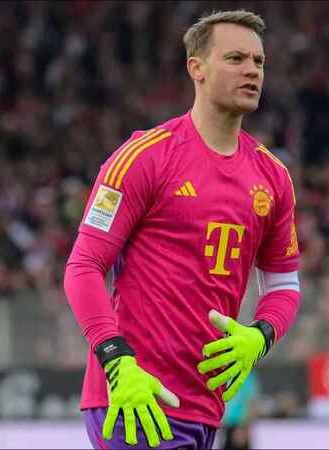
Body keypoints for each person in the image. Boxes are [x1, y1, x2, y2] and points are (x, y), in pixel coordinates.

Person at [64, 9, 301, 449]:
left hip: (205, 408)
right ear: (197, 68)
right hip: (137, 400)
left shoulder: (273, 178)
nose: (252, 70)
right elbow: (83, 266)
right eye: (235, 58)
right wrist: (116, 361)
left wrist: (260, 335)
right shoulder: (145, 157)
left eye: (258, 61)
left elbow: (284, 285)